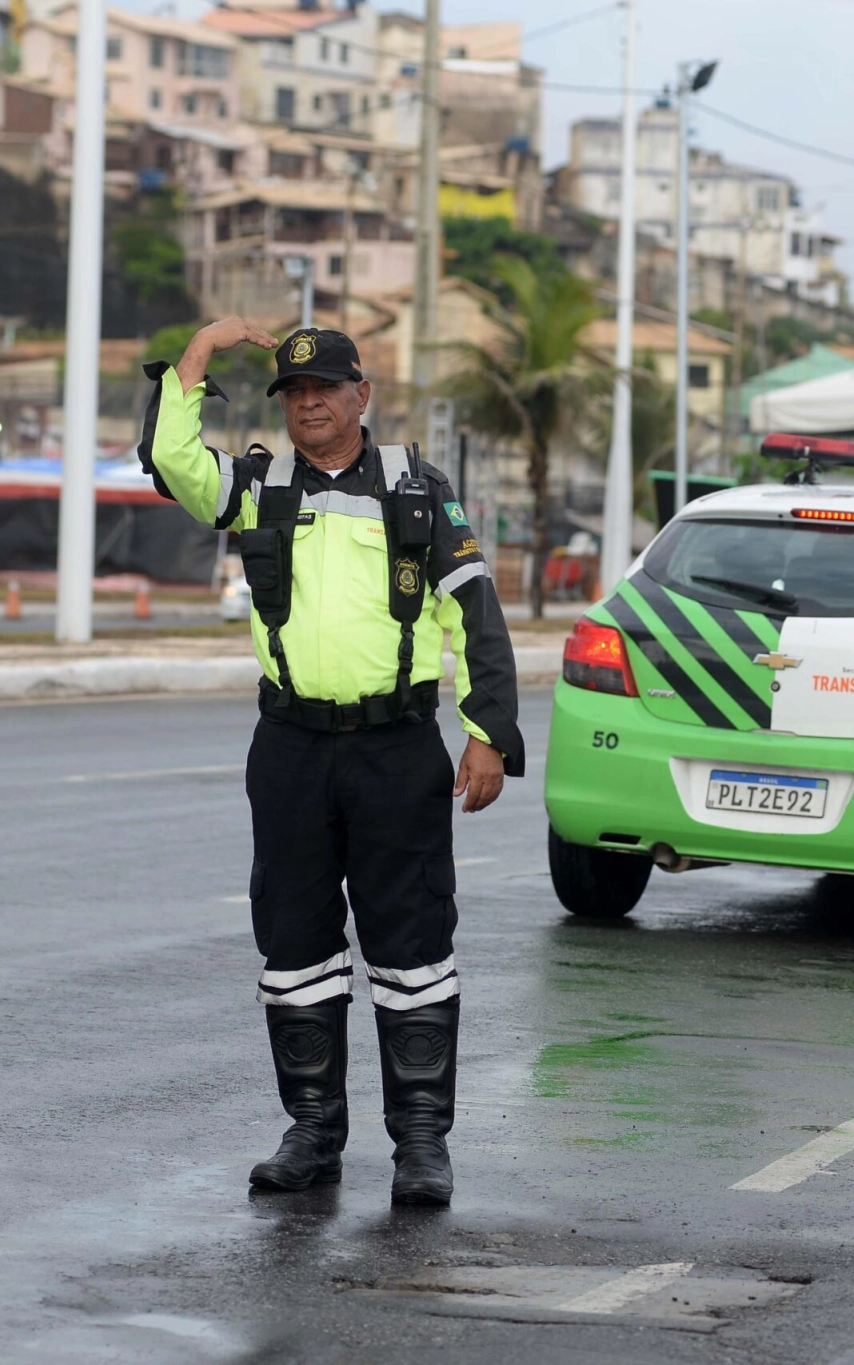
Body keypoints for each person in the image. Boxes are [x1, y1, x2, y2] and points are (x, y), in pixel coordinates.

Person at [138, 317, 524, 1206]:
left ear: (362, 395)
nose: (309, 404)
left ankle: (421, 1144)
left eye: (326, 389)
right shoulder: (257, 486)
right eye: (294, 393)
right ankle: (312, 1132)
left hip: (396, 751)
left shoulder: (415, 491)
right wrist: (200, 349)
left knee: (413, 944)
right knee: (295, 944)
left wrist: (486, 731)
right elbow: (173, 463)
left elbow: (477, 615)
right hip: (289, 750)